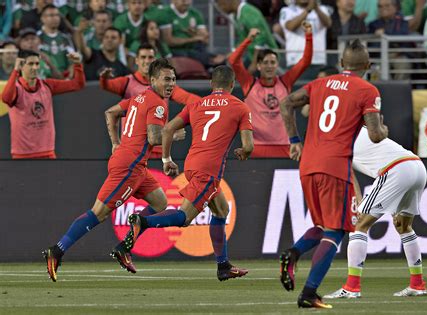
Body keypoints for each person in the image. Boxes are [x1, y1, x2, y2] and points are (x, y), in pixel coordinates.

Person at [42, 58, 176, 282]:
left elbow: (110, 113)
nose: (171, 84)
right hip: (129, 167)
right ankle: (56, 250)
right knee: (99, 213)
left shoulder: (137, 97)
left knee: (160, 202)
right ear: (153, 80)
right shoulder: (158, 104)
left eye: (173, 79)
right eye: (166, 79)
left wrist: (115, 142)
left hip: (135, 164)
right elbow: (154, 137)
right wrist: (175, 133)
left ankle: (124, 247)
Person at [278, 39, 388, 309]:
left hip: (308, 165)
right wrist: (383, 128)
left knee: (323, 226)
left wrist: (294, 139)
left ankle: (293, 253)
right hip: (335, 167)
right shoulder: (368, 90)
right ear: (369, 65)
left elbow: (285, 103)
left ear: (341, 64)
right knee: (337, 231)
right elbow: (375, 136)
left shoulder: (320, 83)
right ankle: (309, 293)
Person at [121, 65, 254, 281]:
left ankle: (223, 266)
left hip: (192, 164)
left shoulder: (197, 104)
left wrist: (167, 158)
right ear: (232, 85)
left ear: (211, 85)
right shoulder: (240, 107)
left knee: (221, 210)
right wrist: (243, 151)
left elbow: (167, 129)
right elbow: (248, 145)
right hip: (209, 169)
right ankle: (142, 222)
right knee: (184, 218)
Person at [323, 127, 427, 298]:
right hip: (416, 165)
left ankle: (351, 287)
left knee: (359, 224)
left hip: (395, 168)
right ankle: (417, 285)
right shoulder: (353, 128)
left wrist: (356, 197)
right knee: (403, 226)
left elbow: (346, 170)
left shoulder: (336, 136)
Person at [228, 25, 312, 158]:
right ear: (259, 66)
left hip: (285, 147)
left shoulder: (285, 82)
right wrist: (248, 39)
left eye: (273, 62)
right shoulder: (249, 84)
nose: (269, 66)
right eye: (265, 62)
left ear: (277, 65)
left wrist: (308, 36)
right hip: (257, 148)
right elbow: (233, 61)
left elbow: (305, 62)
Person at [1, 50, 85, 159]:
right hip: (22, 154)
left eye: (37, 63)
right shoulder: (16, 89)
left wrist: (77, 64)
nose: (35, 67)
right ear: (21, 65)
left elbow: (77, 85)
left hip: (47, 152)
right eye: (30, 64)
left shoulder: (47, 85)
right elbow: (6, 98)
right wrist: (15, 71)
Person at [216, 0, 278, 74]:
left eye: (221, 4)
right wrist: (226, 56)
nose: (221, 9)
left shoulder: (248, 12)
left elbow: (261, 37)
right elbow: (243, 41)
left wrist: (255, 63)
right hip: (253, 56)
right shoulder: (239, 15)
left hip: (266, 57)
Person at [279, 0, 331, 74]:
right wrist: (308, 10)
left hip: (318, 60)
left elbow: (328, 23)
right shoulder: (287, 10)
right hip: (296, 61)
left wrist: (316, 8)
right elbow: (290, 26)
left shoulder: (322, 9)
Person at [38, 4, 75, 77]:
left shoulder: (65, 38)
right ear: (43, 18)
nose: (55, 18)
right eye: (51, 15)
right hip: (45, 79)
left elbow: (73, 61)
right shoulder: (37, 37)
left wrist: (68, 78)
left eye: (57, 15)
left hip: (63, 79)